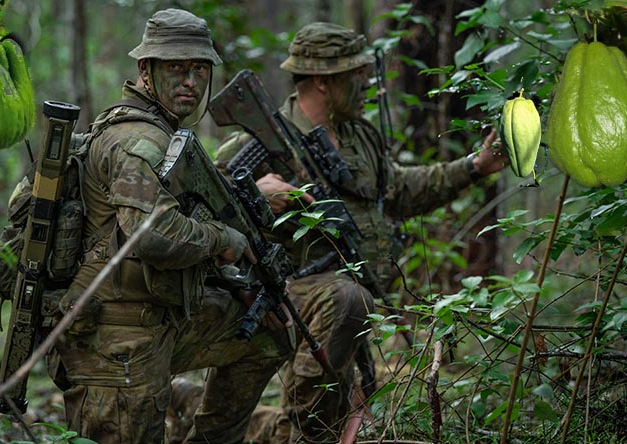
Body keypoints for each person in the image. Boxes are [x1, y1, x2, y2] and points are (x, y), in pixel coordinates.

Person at [212, 22, 509, 443]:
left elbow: (399, 189)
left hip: (352, 298)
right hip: (291, 295)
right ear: (323, 81)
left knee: (333, 413)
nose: (369, 82)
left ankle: (262, 425)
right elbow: (211, 210)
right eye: (357, 75)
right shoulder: (259, 140)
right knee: (316, 414)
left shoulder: (359, 136)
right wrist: (257, 198)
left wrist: (474, 168)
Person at [53, 9, 293, 443]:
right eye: (176, 68)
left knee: (266, 335)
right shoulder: (138, 142)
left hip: (162, 319)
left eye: (199, 68)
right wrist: (225, 239)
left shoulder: (166, 136)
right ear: (145, 70)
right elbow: (153, 236)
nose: (190, 81)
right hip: (117, 338)